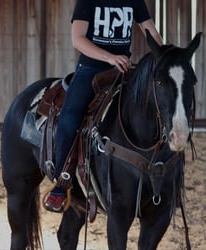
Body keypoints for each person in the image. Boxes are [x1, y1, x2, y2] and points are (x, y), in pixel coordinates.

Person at [44, 0, 163, 212]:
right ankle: (62, 182)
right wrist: (109, 57)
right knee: (70, 116)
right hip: (91, 70)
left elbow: (151, 31)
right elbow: (78, 39)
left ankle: (161, 171)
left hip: (123, 69)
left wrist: (163, 56)